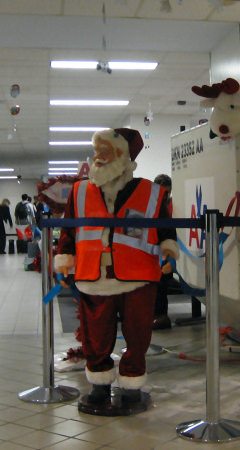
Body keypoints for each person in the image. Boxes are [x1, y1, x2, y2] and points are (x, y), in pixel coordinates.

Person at [55, 128, 179, 409]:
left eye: (106, 152)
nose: (98, 158)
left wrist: (169, 253)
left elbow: (166, 230)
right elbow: (68, 233)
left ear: (124, 157)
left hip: (139, 276)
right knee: (95, 335)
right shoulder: (80, 191)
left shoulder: (152, 193)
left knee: (138, 335)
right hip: (93, 275)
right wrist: (64, 260)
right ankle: (99, 385)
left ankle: (132, 384)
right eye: (97, 151)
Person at [153, 174, 174, 330]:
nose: (165, 196)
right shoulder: (151, 206)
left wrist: (170, 258)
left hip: (166, 251)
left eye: (167, 192)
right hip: (153, 250)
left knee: (161, 284)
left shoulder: (172, 206)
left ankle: (161, 317)